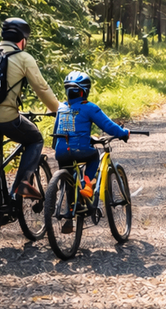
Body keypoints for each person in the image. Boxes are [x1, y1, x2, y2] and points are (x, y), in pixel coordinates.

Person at [0, 17, 60, 199]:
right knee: (34, 139)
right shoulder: (23, 57)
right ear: (22, 39)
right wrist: (58, 110)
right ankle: (23, 183)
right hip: (6, 117)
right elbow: (41, 89)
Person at [52, 71, 130, 232]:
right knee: (94, 156)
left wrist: (58, 148)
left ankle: (71, 210)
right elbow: (108, 126)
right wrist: (123, 133)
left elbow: (56, 132)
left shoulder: (61, 108)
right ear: (85, 91)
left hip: (61, 150)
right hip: (80, 149)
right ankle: (88, 184)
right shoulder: (89, 107)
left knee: (69, 176)